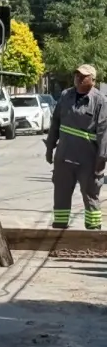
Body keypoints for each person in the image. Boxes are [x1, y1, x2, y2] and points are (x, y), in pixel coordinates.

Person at [45, 64, 107, 230]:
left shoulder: (100, 101)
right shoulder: (66, 96)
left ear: (92, 80)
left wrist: (102, 158)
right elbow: (55, 123)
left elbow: (103, 131)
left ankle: (93, 232)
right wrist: (50, 147)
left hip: (88, 159)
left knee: (91, 194)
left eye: (83, 76)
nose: (78, 78)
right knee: (61, 194)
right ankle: (59, 227)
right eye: (77, 74)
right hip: (64, 157)